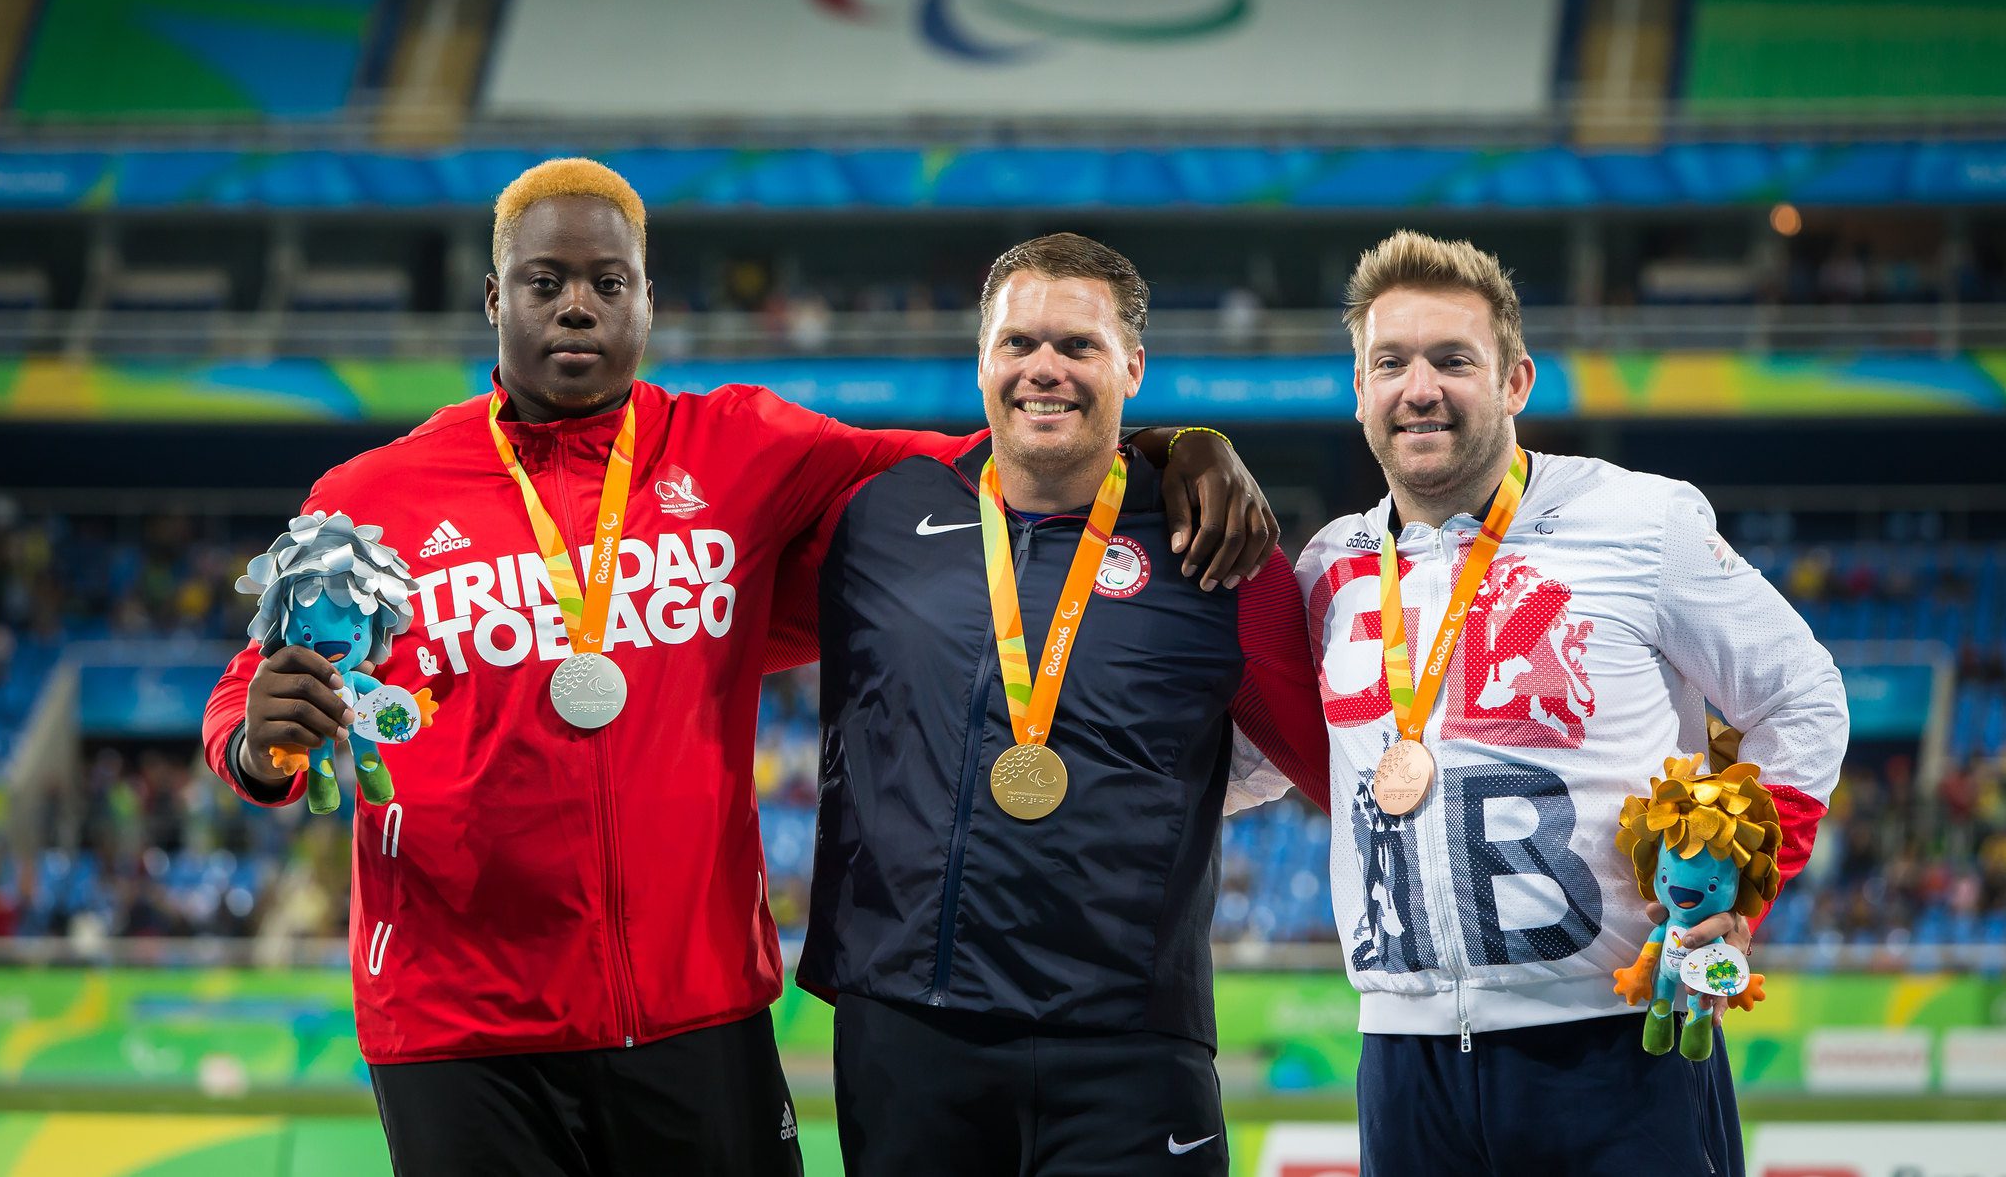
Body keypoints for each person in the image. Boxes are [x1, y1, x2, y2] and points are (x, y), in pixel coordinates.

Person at [198, 160, 1280, 1177]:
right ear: (493, 298)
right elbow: (263, 691)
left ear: (646, 301)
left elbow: (998, 456)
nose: (577, 304)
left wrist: (1169, 443)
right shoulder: (377, 492)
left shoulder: (744, 452)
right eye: (545, 281)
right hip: (458, 1023)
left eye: (606, 282)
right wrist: (257, 741)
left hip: (694, 1010)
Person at [767, 233, 1334, 1176]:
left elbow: (1338, 764)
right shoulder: (873, 521)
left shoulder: (1221, 551)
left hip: (1132, 1047)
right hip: (909, 1033)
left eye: (1078, 346)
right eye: (1019, 342)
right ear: (981, 359)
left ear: (1134, 366)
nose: (1045, 369)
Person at [1290, 231, 1847, 1176]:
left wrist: (1746, 890)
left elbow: (1803, 698)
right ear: (1358, 388)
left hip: (1617, 1046)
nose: (1419, 387)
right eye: (1391, 362)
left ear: (1515, 381)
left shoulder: (1640, 519)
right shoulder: (1326, 569)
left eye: (1453, 360)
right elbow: (1257, 761)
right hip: (1403, 1059)